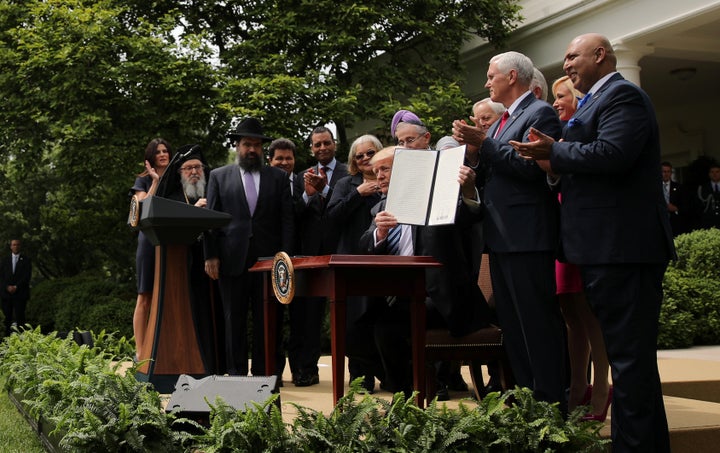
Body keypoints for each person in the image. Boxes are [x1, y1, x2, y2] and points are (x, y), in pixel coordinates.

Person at [510, 33, 675, 452]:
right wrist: (552, 161)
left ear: (600, 55)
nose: (565, 65)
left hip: (624, 251)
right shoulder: (593, 102)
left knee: (630, 365)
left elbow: (613, 153)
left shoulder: (624, 97)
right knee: (630, 364)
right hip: (603, 251)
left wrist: (556, 152)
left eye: (572, 56)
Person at [452, 51, 566, 408]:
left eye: (491, 76)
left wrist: (484, 143)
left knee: (538, 324)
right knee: (514, 328)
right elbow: (492, 172)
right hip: (501, 238)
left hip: (528, 236)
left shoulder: (539, 112)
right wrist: (472, 156)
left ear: (512, 76)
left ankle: (551, 404)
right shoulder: (501, 123)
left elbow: (531, 167)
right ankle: (527, 397)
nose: (487, 83)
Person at [358, 146, 490, 397]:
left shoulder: (438, 198)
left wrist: (469, 190)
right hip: (400, 298)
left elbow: (469, 215)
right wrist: (379, 233)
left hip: (442, 298)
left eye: (385, 169)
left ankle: (406, 400)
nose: (379, 176)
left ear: (407, 172)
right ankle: (406, 390)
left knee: (387, 328)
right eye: (376, 172)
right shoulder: (380, 208)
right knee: (359, 323)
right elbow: (364, 243)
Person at [204, 117, 295, 377]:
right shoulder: (218, 177)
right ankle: (235, 376)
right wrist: (210, 255)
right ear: (237, 146)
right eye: (247, 144)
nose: (252, 149)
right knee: (233, 321)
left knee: (268, 321)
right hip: (231, 260)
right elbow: (211, 219)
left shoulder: (277, 177)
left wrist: (285, 260)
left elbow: (287, 220)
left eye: (256, 145)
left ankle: (267, 376)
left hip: (269, 262)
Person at [550, 75, 612, 418]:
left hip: (582, 230)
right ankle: (577, 387)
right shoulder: (558, 134)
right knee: (570, 314)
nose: (556, 102)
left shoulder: (585, 132)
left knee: (590, 315)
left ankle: (602, 388)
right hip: (561, 230)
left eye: (562, 96)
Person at [288, 126, 348, 386]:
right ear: (311, 148)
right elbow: (293, 217)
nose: (322, 148)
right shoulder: (302, 176)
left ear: (334, 144)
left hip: (341, 252)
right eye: (317, 145)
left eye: (326, 143)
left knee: (348, 315)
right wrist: (307, 195)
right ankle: (305, 371)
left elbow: (345, 208)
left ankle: (360, 374)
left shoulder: (348, 173)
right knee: (307, 317)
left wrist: (325, 192)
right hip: (310, 256)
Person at [326, 134, 384, 392]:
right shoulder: (346, 184)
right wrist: (358, 194)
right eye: (358, 156)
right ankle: (360, 376)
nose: (364, 159)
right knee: (353, 320)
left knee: (380, 317)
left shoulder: (390, 180)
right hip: (352, 258)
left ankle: (387, 372)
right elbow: (332, 217)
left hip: (384, 260)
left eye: (370, 153)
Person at [130, 138, 172, 359]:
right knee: (144, 296)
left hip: (172, 242)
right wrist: (155, 182)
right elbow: (142, 208)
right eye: (158, 152)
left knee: (169, 296)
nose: (163, 154)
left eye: (166, 151)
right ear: (151, 157)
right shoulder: (143, 180)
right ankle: (140, 351)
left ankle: (163, 349)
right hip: (148, 242)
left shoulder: (178, 179)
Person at [0, 239, 32, 336]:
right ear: (11, 247)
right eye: (14, 245)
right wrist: (7, 287)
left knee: (20, 318)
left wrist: (16, 287)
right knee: (6, 319)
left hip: (20, 294)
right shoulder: (4, 260)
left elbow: (27, 276)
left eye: (17, 245)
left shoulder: (26, 260)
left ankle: (22, 341)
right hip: (6, 294)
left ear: (20, 246)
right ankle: (5, 340)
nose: (16, 246)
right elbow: (1, 276)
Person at [661, 161, 689, 236]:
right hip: (660, 223)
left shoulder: (679, 187)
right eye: (664, 171)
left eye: (668, 171)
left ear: (671, 173)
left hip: (675, 223)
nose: (666, 174)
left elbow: (685, 205)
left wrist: (676, 208)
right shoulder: (656, 188)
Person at [697, 162, 720, 229]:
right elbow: (699, 206)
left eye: (717, 172)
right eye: (712, 172)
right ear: (709, 174)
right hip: (708, 223)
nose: (715, 174)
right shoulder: (702, 188)